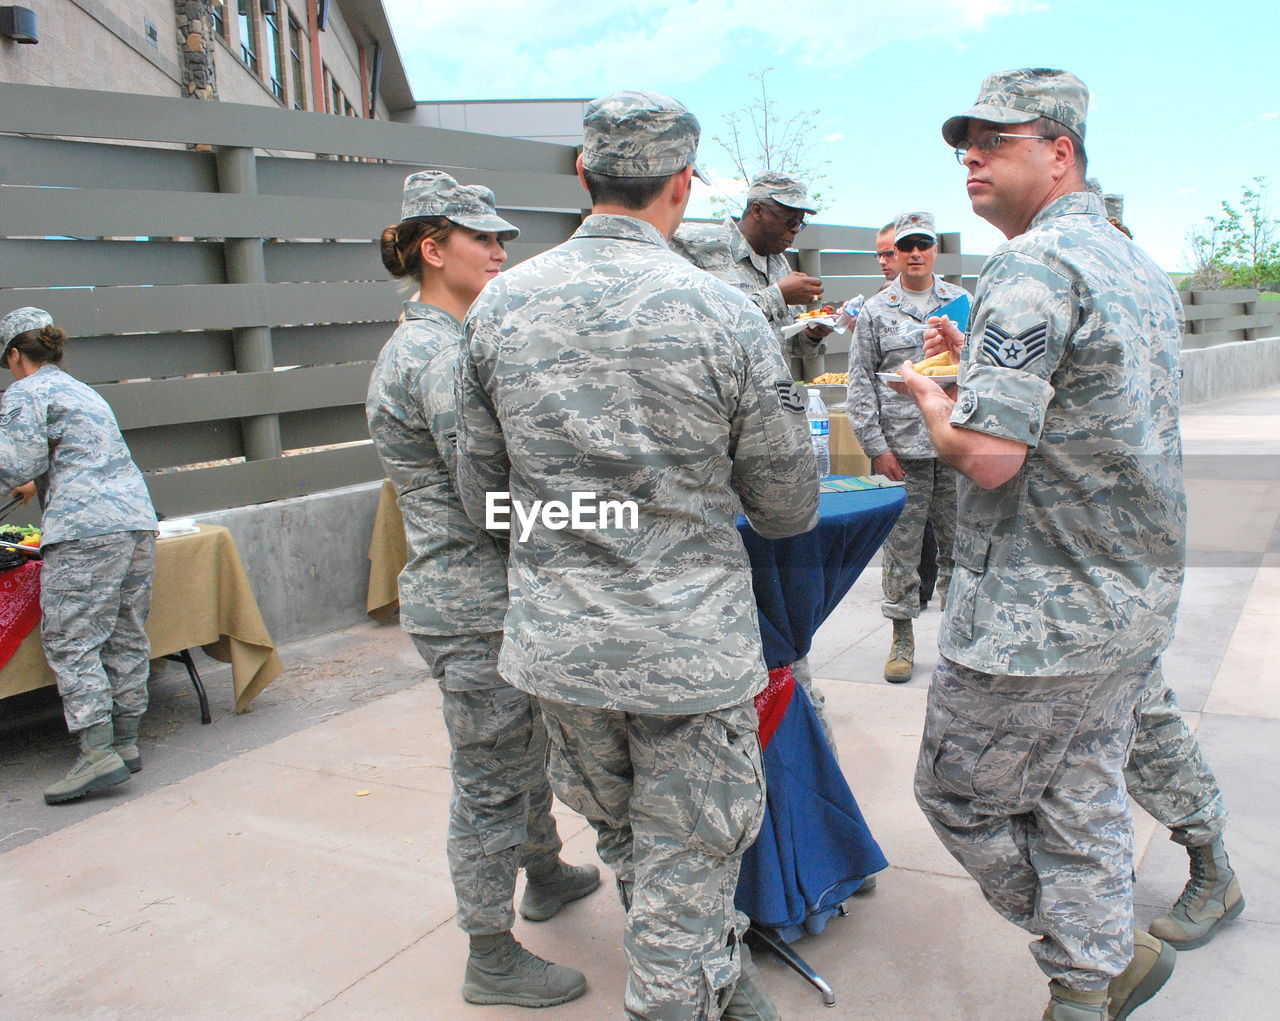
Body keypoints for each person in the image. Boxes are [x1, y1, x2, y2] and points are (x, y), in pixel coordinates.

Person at [455, 90, 819, 1021]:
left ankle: (716, 979)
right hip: (684, 657)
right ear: (684, 185)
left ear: (584, 173)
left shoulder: (498, 306)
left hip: (560, 650)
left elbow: (481, 496)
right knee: (689, 860)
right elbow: (785, 509)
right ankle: (685, 990)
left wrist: (584, 523)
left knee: (635, 843)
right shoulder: (726, 311)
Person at [897, 68, 1192, 1020]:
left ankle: (1095, 953)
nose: (971, 159)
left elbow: (986, 458)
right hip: (1130, 595)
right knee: (1080, 791)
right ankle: (1083, 989)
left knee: (959, 793)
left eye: (997, 140)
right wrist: (978, 354)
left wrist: (941, 407)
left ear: (1060, 152)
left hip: (1039, 611)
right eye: (963, 145)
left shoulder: (1032, 266)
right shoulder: (1132, 261)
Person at [365, 171, 597, 1009]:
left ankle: (544, 873)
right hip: (473, 605)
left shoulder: (446, 342)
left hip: (484, 600)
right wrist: (603, 511)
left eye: (503, 237)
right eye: (482, 239)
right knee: (491, 776)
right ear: (433, 250)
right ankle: (490, 952)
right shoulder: (434, 357)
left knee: (519, 752)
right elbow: (493, 504)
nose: (502, 250)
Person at [0, 307, 158, 805]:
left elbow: (16, 461)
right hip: (134, 521)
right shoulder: (79, 390)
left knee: (72, 638)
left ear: (13, 355)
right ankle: (126, 740)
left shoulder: (25, 392)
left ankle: (96, 753)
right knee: (124, 629)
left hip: (83, 529)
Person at [845, 211, 970, 684]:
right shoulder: (877, 310)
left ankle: (959, 637)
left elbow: (980, 366)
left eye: (924, 244)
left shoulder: (960, 301)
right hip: (903, 448)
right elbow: (860, 386)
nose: (916, 253)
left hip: (955, 446)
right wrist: (876, 447)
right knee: (901, 548)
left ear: (935, 250)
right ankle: (901, 636)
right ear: (895, 254)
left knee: (961, 547)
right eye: (906, 246)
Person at [670, 170, 831, 371]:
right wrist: (777, 296)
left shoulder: (779, 264)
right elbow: (700, 326)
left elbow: (788, 343)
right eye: (791, 220)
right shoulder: (695, 245)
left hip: (770, 393)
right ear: (757, 211)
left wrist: (811, 334)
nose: (796, 229)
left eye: (801, 223)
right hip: (720, 392)